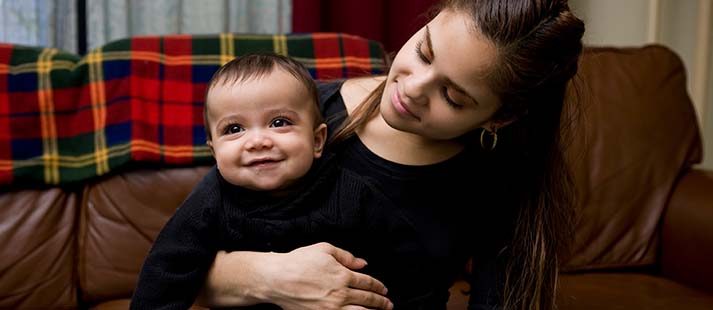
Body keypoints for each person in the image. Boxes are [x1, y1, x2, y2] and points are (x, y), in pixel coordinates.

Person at [198, 0, 585, 309]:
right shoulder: (296, 122)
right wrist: (275, 278)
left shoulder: (498, 179)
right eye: (424, 52)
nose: (413, 88)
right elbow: (182, 268)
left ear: (500, 118)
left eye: (451, 96)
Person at [130, 53, 399, 309]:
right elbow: (165, 272)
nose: (258, 141)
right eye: (234, 129)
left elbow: (404, 262)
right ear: (215, 153)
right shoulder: (212, 199)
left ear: (317, 140)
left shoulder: (352, 192)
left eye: (279, 122)